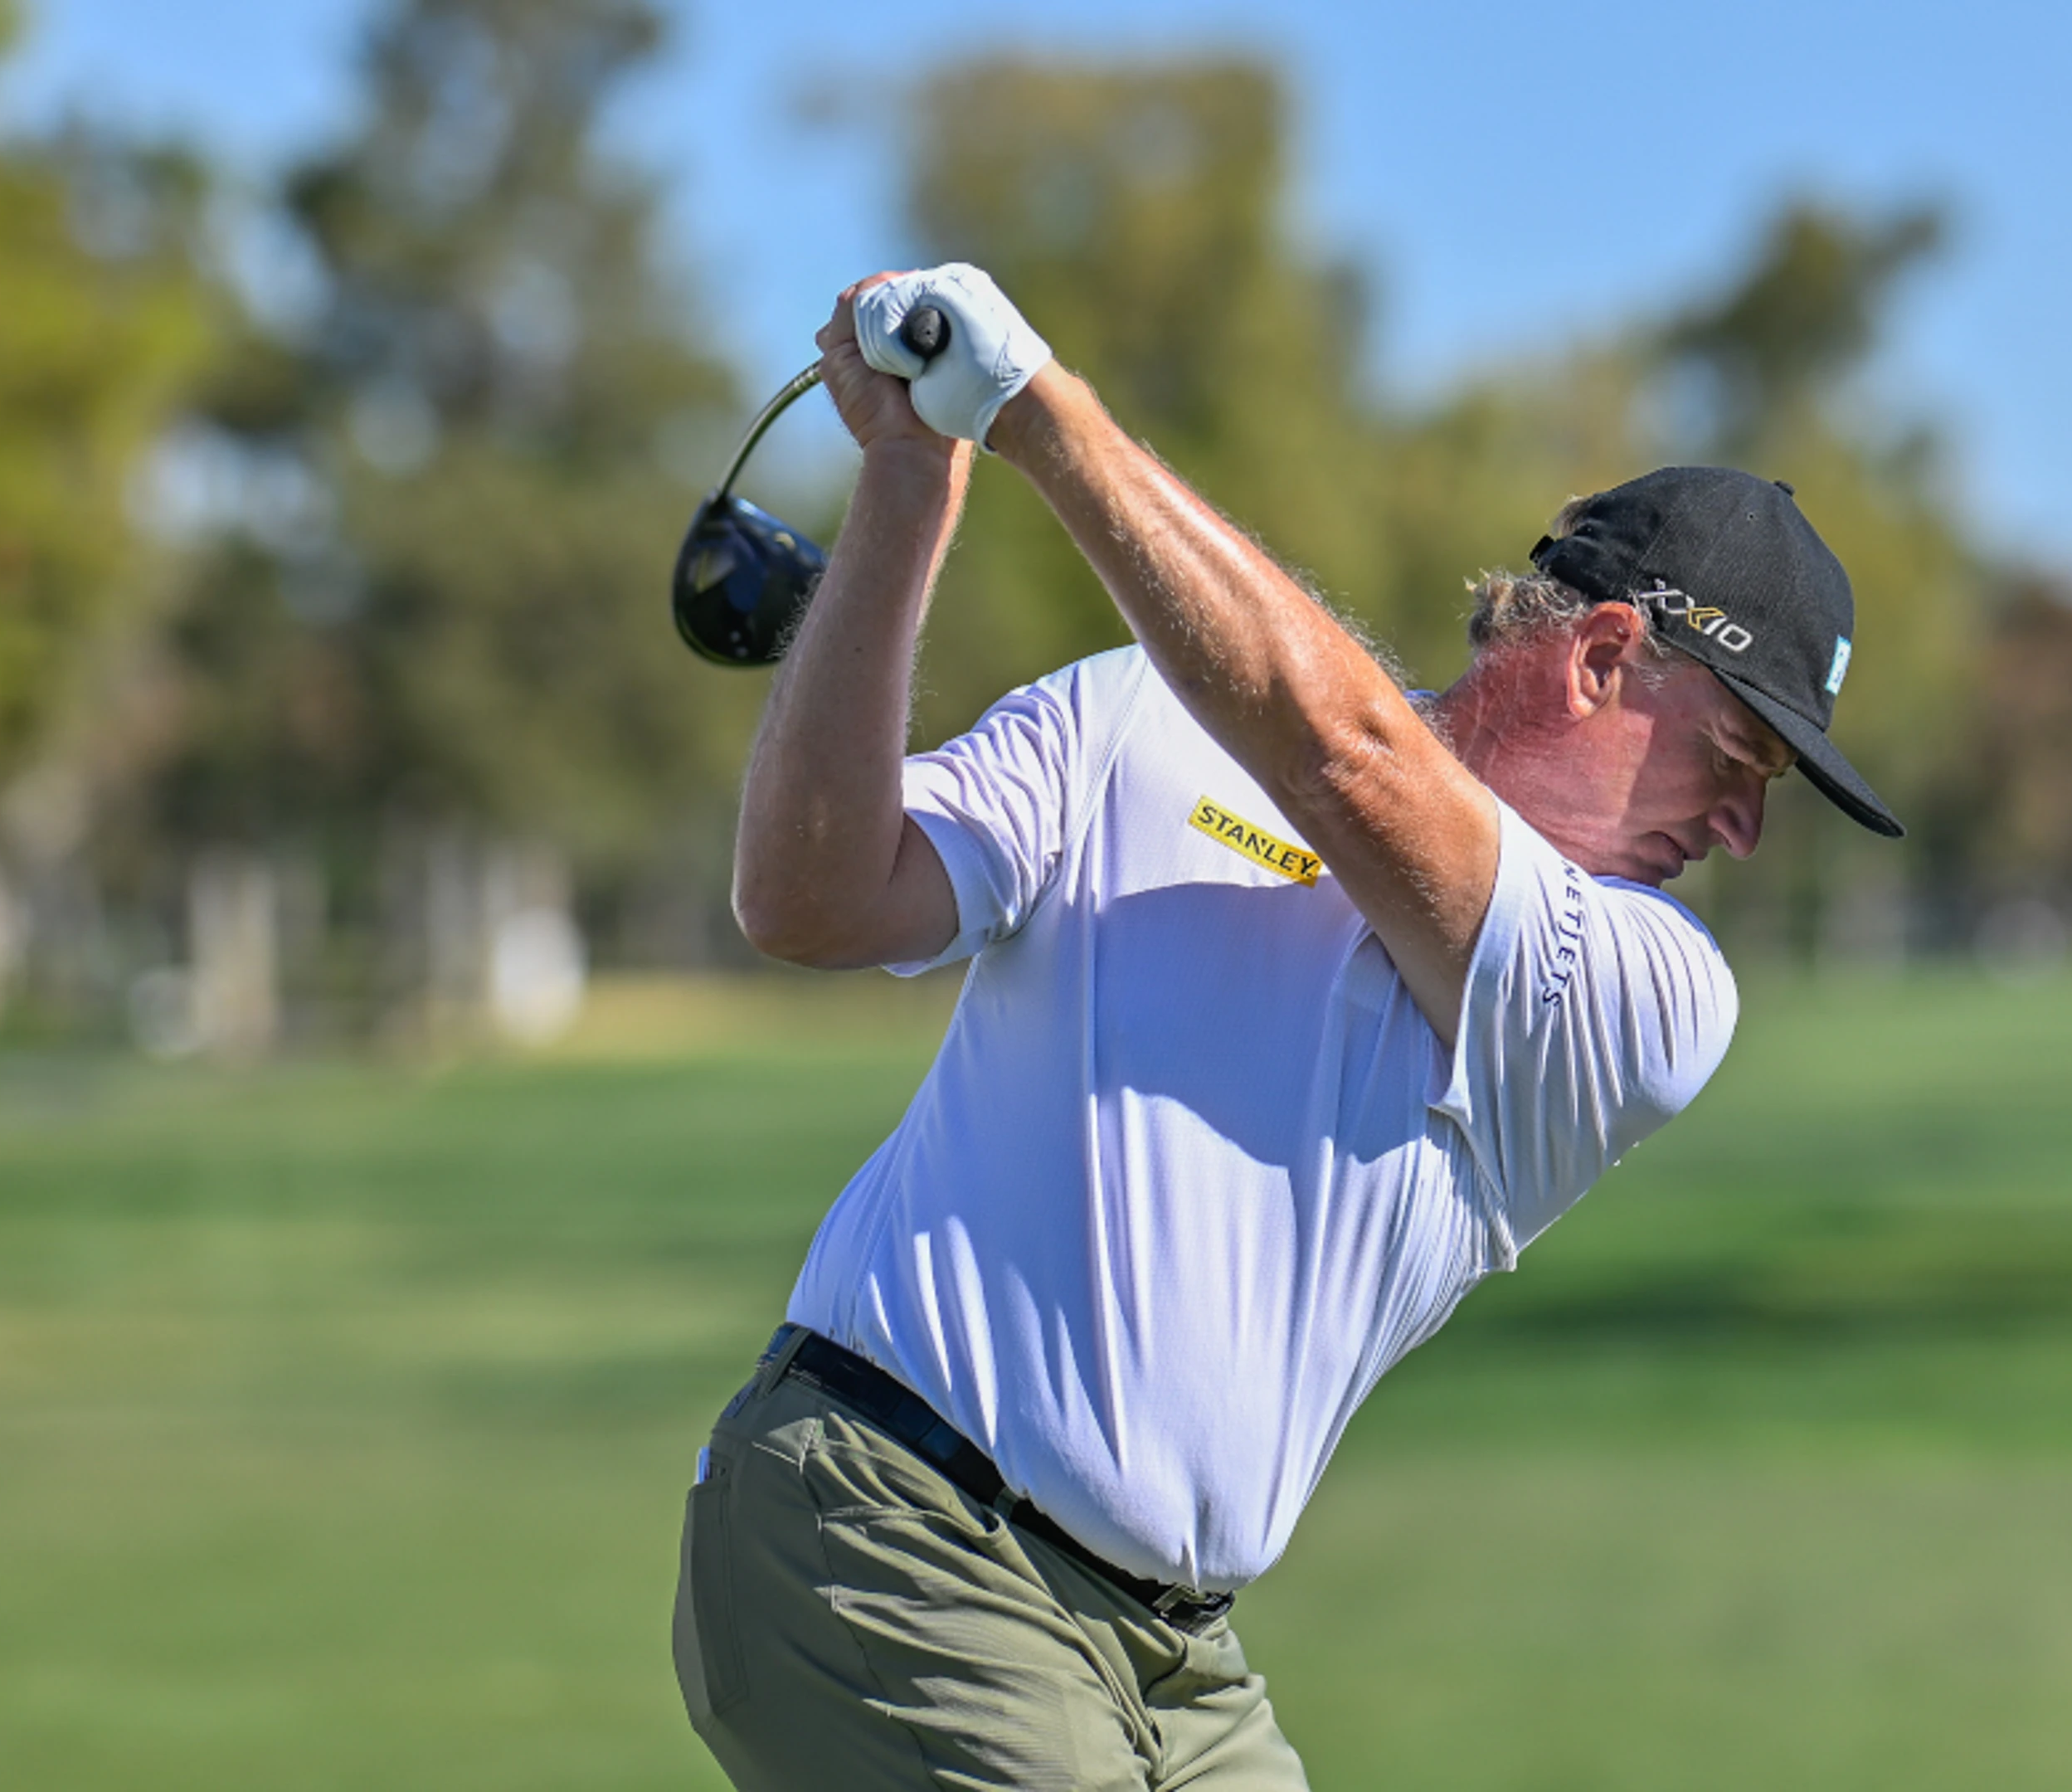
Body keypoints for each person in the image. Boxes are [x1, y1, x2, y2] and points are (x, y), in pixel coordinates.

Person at [670, 263, 1903, 1791]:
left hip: (1172, 1656)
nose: (1740, 834)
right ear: (1598, 660)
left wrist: (1036, 408)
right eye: (1733, 762)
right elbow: (809, 898)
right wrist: (911, 484)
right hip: (886, 1519)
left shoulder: (1653, 995)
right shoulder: (1140, 716)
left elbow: (1348, 760)